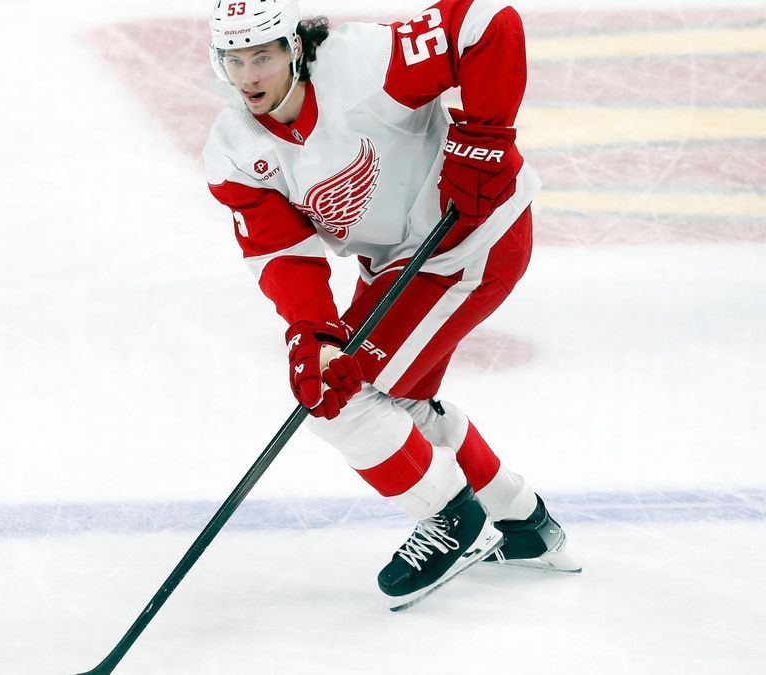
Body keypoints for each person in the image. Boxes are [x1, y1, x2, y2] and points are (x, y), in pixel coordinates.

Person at [203, 0, 580, 611]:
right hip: (403, 266)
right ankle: (521, 523)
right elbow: (283, 253)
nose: (249, 75)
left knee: (342, 401)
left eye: (263, 56)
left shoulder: (366, 62)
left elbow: (487, 22)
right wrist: (311, 332)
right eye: (234, 59)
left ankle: (454, 519)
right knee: (384, 397)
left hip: (473, 238)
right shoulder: (235, 149)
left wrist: (483, 138)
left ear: (294, 48)